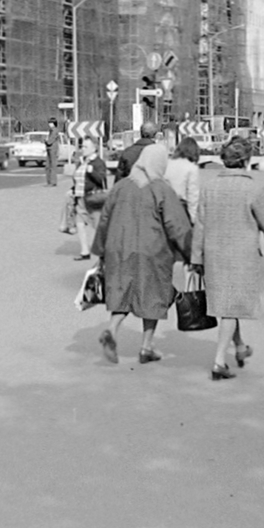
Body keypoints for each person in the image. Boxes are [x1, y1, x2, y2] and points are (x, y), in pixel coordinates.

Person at [193, 137, 264, 379]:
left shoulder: (209, 187)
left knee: (228, 303)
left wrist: (196, 257)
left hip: (213, 254)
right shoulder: (254, 188)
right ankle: (218, 362)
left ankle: (240, 346)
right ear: (246, 161)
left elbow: (200, 225)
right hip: (241, 256)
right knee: (232, 305)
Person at [92, 142, 192, 364]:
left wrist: (100, 249)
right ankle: (146, 346)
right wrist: (190, 253)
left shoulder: (120, 187)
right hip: (152, 252)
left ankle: (112, 329)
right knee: (153, 296)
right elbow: (177, 225)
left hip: (119, 249)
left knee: (123, 293)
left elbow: (105, 220)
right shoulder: (161, 189)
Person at [71, 138, 109, 260]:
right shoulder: (82, 162)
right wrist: (72, 190)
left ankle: (104, 252)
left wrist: (92, 172)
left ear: (94, 148)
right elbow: (78, 178)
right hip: (80, 197)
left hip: (93, 198)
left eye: (86, 147)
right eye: (82, 146)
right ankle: (85, 251)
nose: (82, 149)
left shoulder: (98, 163)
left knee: (97, 226)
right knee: (80, 223)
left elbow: (101, 180)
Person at [165, 136, 202, 223]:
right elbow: (193, 195)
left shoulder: (167, 163)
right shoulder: (192, 168)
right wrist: (193, 218)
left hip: (165, 205)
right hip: (180, 208)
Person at [43, 119, 61, 188]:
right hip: (49, 148)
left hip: (52, 149)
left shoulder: (54, 130)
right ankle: (49, 181)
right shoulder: (51, 130)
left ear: (54, 123)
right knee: (48, 166)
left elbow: (50, 140)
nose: (49, 124)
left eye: (51, 123)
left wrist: (46, 141)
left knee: (52, 165)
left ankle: (52, 182)